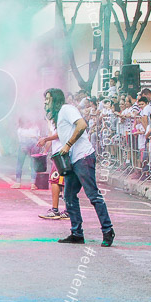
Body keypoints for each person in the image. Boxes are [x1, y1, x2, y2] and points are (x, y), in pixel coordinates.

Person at [43, 88, 115, 246]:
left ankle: (107, 230)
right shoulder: (57, 116)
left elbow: (82, 124)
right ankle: (76, 233)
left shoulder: (66, 109)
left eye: (48, 99)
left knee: (93, 195)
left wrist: (68, 145)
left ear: (55, 100)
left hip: (83, 157)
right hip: (71, 160)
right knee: (68, 196)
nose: (45, 102)